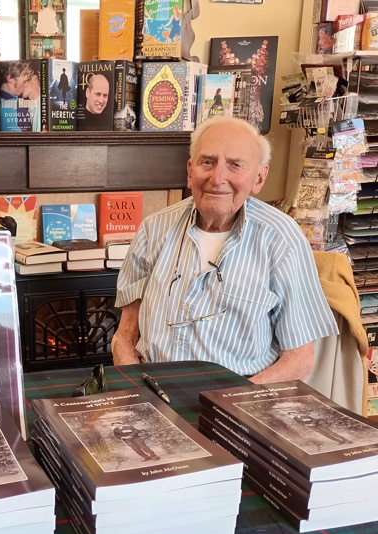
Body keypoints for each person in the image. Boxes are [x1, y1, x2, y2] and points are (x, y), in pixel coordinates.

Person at [113, 116, 338, 383]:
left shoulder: (281, 239)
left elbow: (299, 358)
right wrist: (137, 390)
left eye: (235, 165)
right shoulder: (153, 229)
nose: (217, 178)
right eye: (207, 162)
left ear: (259, 177)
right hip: (154, 389)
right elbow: (125, 335)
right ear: (190, 171)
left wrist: (233, 401)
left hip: (242, 395)